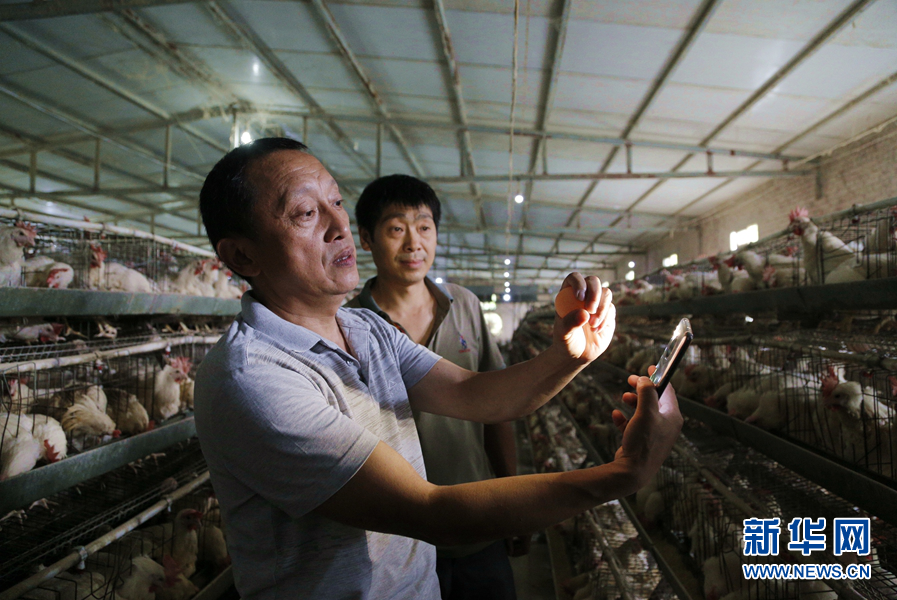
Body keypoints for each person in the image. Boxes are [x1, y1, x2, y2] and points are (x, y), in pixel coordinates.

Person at [194, 137, 683, 600]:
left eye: (336, 202)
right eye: (305, 212)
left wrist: (569, 355)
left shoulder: (366, 329)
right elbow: (429, 511)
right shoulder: (253, 378)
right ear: (242, 255)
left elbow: (475, 394)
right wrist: (622, 475)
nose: (337, 224)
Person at [347, 174, 523, 600]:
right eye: (396, 229)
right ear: (367, 240)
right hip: (396, 539)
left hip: (477, 521)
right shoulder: (348, 324)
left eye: (424, 227)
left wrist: (512, 504)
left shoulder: (463, 304)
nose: (413, 244)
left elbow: (497, 406)